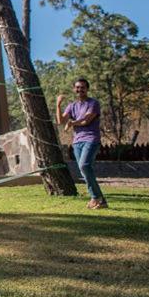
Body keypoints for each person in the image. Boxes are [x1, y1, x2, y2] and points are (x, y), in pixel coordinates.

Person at [56, 77, 107, 209]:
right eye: (77, 87)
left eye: (83, 87)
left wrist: (72, 123)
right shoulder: (72, 106)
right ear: (74, 89)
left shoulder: (93, 103)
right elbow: (60, 121)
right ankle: (97, 199)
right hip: (77, 141)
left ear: (87, 89)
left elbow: (86, 120)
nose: (80, 90)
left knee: (84, 166)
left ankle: (97, 198)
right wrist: (58, 104)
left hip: (91, 139)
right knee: (84, 170)